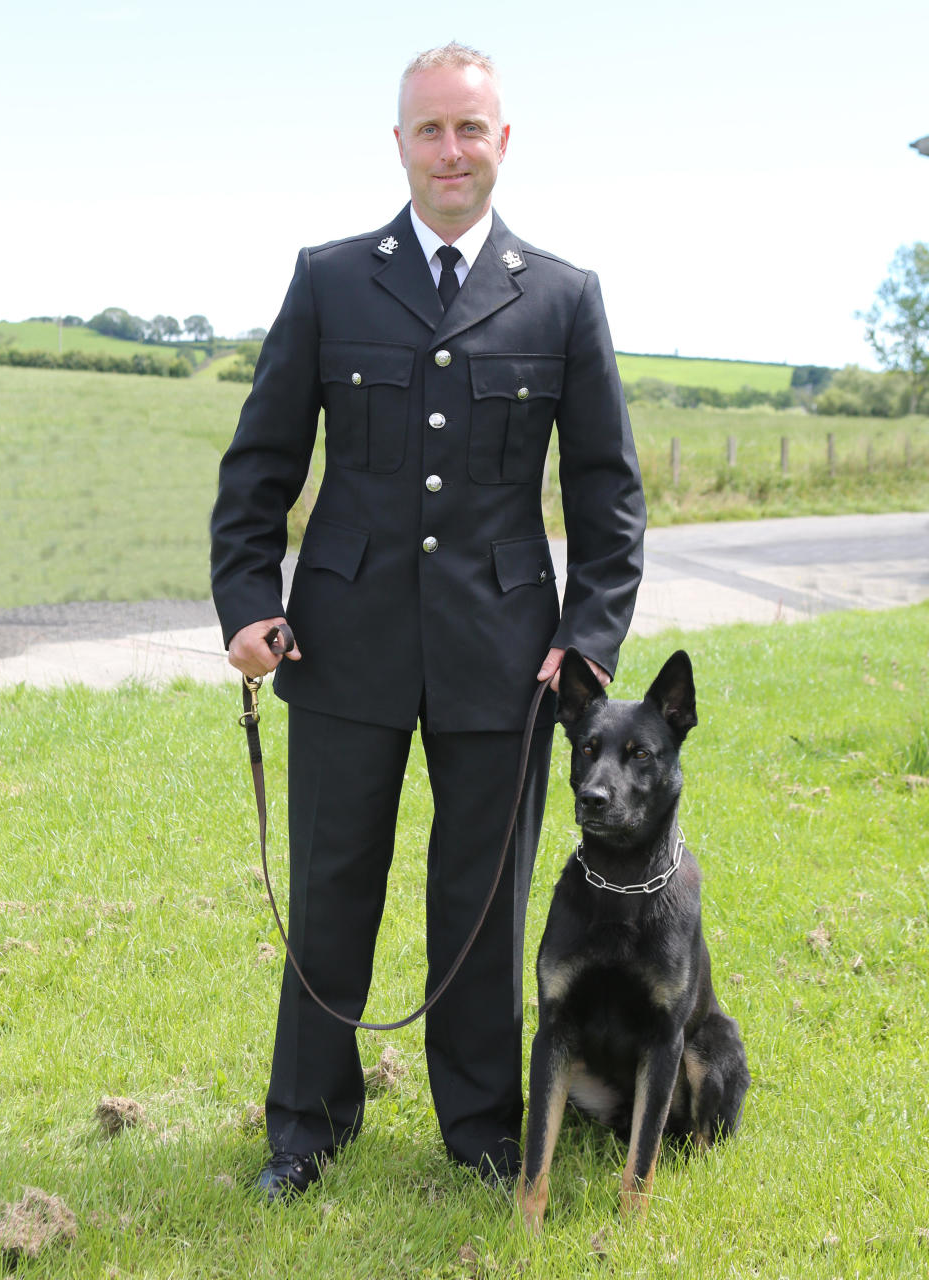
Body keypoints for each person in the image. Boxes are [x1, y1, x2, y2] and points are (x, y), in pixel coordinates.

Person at [210, 42, 646, 1201]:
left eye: (470, 129)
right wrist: (250, 601)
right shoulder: (330, 278)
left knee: (480, 901)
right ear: (398, 143)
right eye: (429, 130)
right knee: (332, 886)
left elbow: (609, 495)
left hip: (507, 655)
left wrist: (590, 638)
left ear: (504, 142)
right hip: (340, 641)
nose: (450, 151)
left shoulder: (562, 295)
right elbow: (259, 464)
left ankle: (482, 1123)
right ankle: (306, 1125)